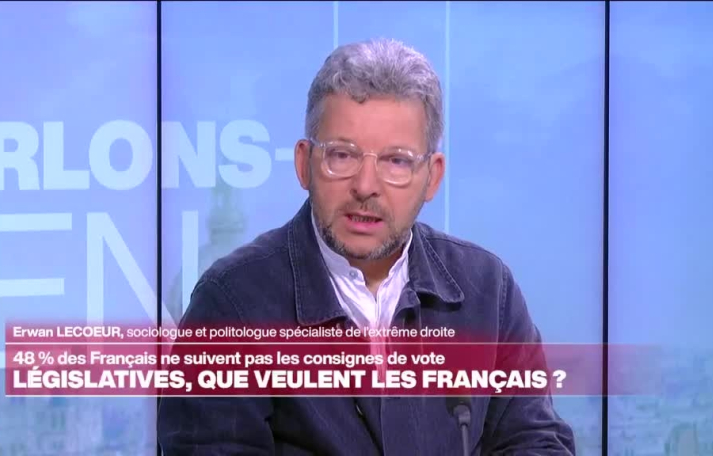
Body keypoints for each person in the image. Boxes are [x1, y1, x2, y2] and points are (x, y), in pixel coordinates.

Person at [157, 38, 575, 455]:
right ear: (304, 164)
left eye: (397, 161)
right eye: (342, 155)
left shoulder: (487, 291)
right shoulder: (232, 303)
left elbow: (536, 442)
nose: (365, 186)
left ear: (432, 176)